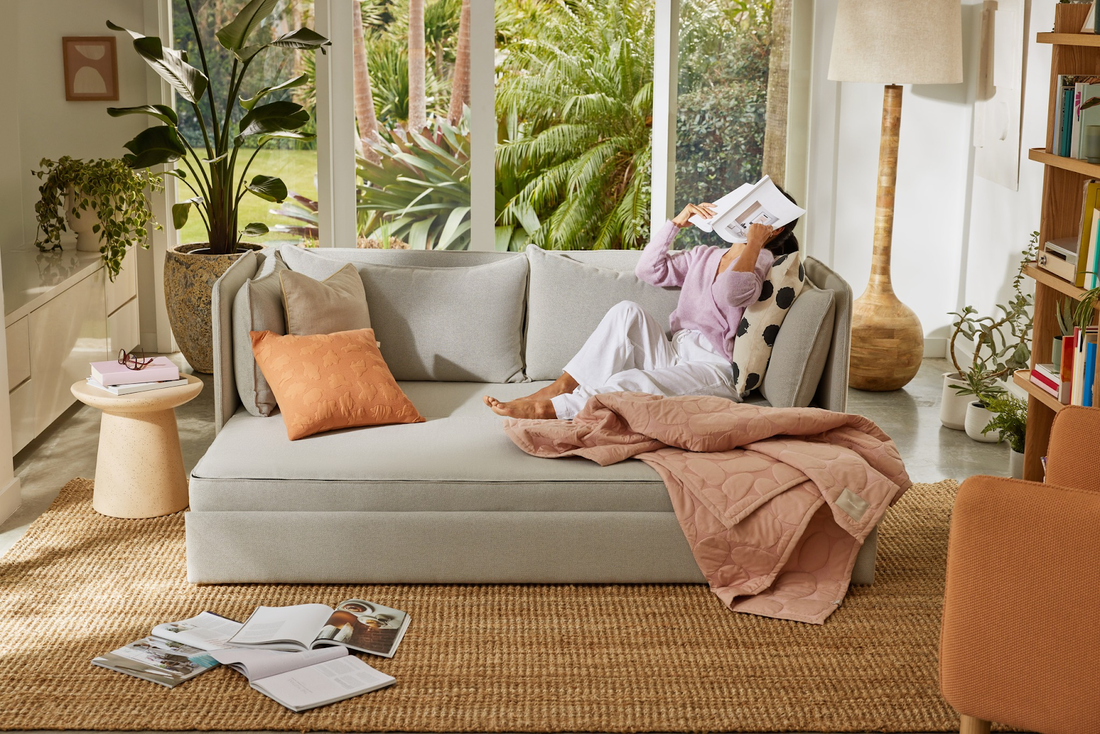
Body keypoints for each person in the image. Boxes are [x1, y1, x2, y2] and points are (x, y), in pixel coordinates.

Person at [483, 194, 800, 420]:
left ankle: (552, 410)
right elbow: (648, 270)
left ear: (775, 229)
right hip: (675, 353)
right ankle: (561, 387)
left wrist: (755, 243)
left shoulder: (763, 262)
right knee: (626, 311)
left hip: (713, 368)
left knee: (630, 381)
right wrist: (678, 223)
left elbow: (731, 292)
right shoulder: (705, 254)